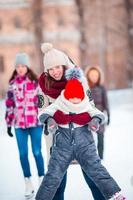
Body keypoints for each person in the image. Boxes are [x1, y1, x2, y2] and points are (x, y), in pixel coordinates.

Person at [36, 68, 126, 200]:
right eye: (71, 97)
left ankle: (115, 194)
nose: (74, 101)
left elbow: (99, 114)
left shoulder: (86, 104)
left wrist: (95, 121)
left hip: (85, 146)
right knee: (53, 175)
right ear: (66, 95)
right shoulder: (60, 103)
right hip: (62, 147)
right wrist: (50, 120)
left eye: (77, 98)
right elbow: (43, 113)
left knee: (97, 170)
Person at [38, 43, 106, 200]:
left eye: (58, 67)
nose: (55, 71)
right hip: (56, 134)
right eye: (51, 68)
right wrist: (51, 121)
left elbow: (90, 105)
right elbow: (41, 110)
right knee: (57, 178)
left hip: (80, 131)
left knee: (92, 172)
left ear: (63, 65)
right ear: (46, 70)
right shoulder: (43, 85)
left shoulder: (79, 80)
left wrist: (91, 121)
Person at [5, 53, 45, 199]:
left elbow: (41, 102)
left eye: (23, 66)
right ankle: (28, 182)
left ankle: (42, 180)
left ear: (27, 66)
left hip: (35, 123)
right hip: (19, 125)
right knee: (23, 154)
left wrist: (44, 119)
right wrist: (9, 124)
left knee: (36, 152)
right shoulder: (12, 84)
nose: (20, 69)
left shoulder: (35, 82)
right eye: (18, 66)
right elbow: (9, 105)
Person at [85, 66, 110, 159]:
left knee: (100, 137)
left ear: (99, 76)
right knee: (90, 138)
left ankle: (100, 157)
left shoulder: (102, 88)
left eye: (96, 75)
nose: (94, 77)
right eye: (92, 75)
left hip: (100, 115)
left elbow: (106, 102)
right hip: (89, 114)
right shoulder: (86, 87)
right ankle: (92, 157)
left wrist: (109, 115)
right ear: (88, 76)